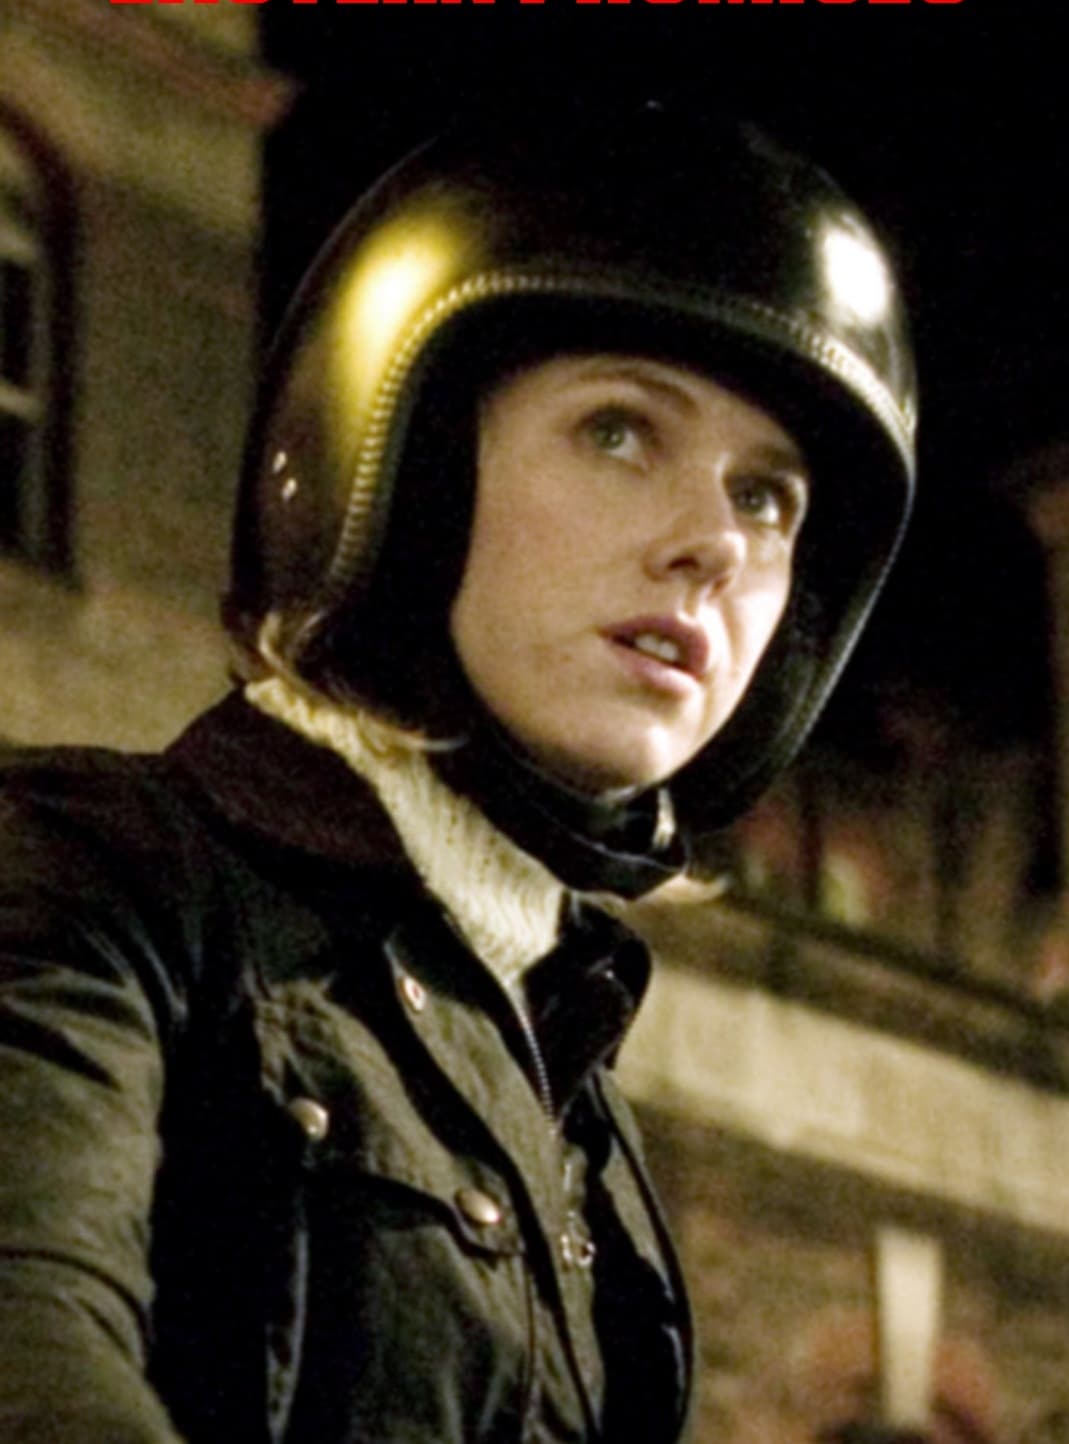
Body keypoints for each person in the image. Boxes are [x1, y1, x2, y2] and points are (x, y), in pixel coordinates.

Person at [0, 102, 916, 1443]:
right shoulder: (94, 874)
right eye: (619, 432)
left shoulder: (582, 1103)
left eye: (765, 496)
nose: (715, 543)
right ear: (412, 476)